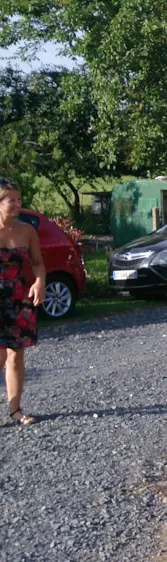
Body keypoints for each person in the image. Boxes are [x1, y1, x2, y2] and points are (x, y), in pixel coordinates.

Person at [0, 178, 44, 425]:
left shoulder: (27, 230)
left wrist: (39, 282)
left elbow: (37, 263)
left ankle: (15, 410)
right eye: (11, 200)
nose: (18, 204)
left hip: (16, 297)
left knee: (15, 354)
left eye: (19, 199)